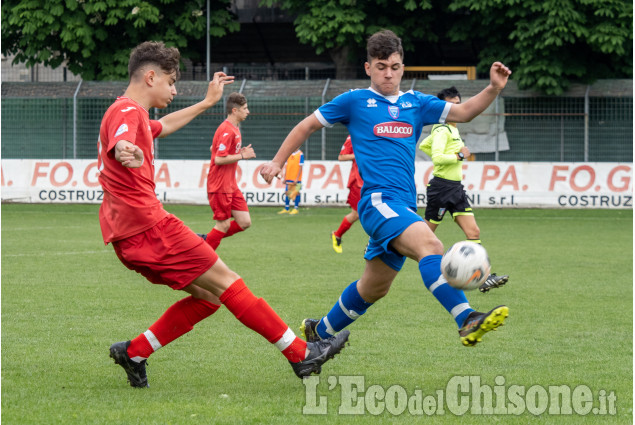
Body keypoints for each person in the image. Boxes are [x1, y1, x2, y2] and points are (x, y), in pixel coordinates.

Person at [98, 41, 349, 388]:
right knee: (229, 283)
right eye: (171, 82)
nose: (174, 90)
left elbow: (164, 126)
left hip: (131, 234)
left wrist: (206, 102)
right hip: (149, 228)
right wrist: (127, 151)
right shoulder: (126, 115)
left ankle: (134, 352)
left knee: (211, 298)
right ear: (150, 76)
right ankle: (301, 354)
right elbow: (122, 140)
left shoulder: (132, 113)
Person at [260, 30, 511, 350]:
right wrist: (277, 162)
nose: (388, 73)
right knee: (431, 246)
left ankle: (317, 333)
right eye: (381, 66)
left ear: (403, 66)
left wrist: (492, 88)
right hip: (377, 201)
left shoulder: (416, 103)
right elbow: (307, 125)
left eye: (394, 66)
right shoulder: (354, 101)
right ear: (368, 68)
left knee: (373, 288)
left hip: (403, 206)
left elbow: (464, 112)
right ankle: (467, 319)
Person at [419, 86, 509, 293]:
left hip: (455, 189)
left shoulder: (452, 129)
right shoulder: (442, 129)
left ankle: (483, 278)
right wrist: (459, 156)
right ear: (443, 108)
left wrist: (453, 153)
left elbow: (425, 145)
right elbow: (438, 156)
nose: (458, 108)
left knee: (473, 231)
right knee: (424, 237)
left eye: (459, 104)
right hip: (441, 188)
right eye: (453, 105)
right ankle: (384, 248)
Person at [204, 92, 255, 250]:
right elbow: (218, 159)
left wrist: (237, 152)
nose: (248, 111)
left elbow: (213, 148)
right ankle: (201, 255)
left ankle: (206, 241)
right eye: (245, 108)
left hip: (230, 185)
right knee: (223, 225)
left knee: (244, 222)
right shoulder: (228, 130)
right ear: (235, 110)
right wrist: (241, 155)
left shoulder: (233, 128)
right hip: (220, 185)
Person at [331, 135, 363, 253]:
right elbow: (341, 157)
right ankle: (337, 235)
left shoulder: (377, 133)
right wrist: (358, 155)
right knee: (357, 214)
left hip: (374, 180)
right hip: (358, 182)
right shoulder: (353, 137)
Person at [278, 148, 304, 215]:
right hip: (289, 177)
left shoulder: (300, 154)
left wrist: (297, 178)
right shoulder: (289, 154)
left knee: (296, 193)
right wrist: (285, 177)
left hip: (297, 179)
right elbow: (286, 166)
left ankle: (296, 208)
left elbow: (301, 167)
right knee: (287, 193)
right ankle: (286, 208)